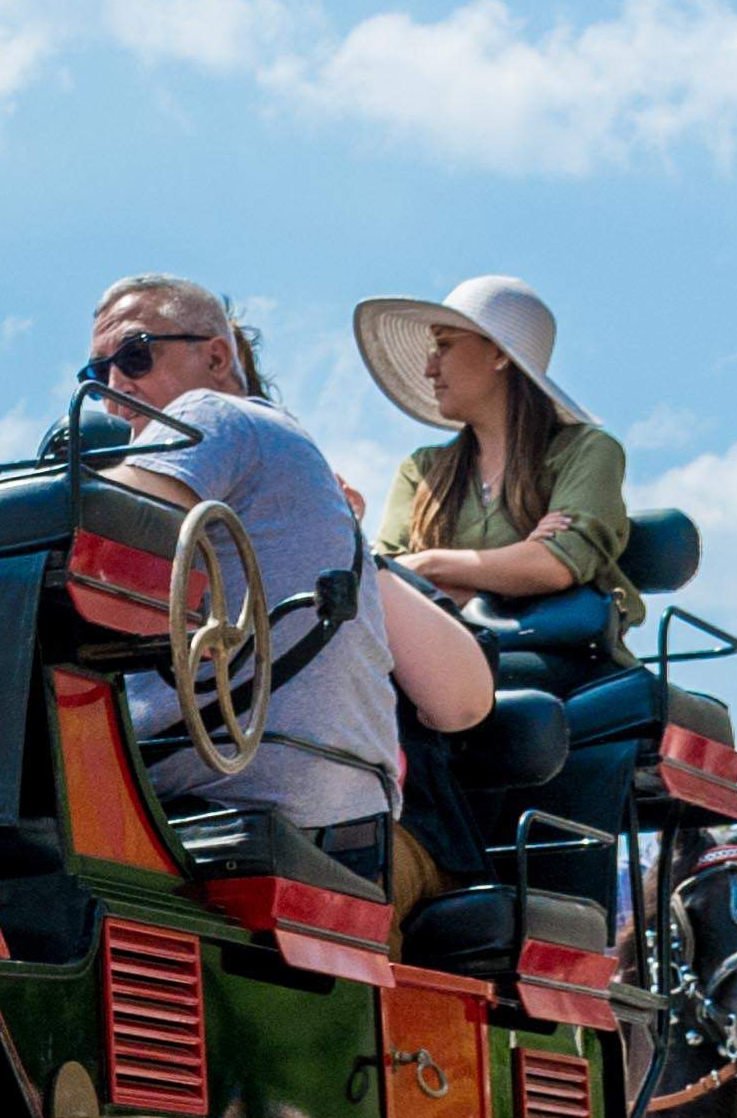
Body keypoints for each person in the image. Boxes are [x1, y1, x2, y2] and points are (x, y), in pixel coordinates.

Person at [71, 275, 491, 873]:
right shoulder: (227, 493)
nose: (114, 395)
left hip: (294, 821)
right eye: (96, 375)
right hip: (213, 803)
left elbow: (464, 701)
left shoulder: (216, 418)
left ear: (218, 358)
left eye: (134, 356)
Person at [357, 275, 641, 660]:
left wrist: (430, 564)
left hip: (564, 668)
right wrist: (519, 560)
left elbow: (554, 566)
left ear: (499, 355)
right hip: (441, 666)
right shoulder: (420, 470)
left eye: (443, 346)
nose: (429, 368)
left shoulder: (588, 451)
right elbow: (381, 582)